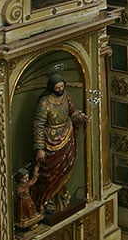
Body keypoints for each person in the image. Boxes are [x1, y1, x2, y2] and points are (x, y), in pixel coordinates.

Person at [31, 71, 87, 213]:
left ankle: (61, 195)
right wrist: (40, 148)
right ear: (51, 88)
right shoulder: (45, 103)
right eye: (57, 88)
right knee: (50, 173)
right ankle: (47, 199)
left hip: (67, 137)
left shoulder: (66, 96)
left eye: (62, 86)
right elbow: (38, 124)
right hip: (50, 141)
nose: (60, 90)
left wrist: (81, 117)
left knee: (65, 168)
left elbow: (72, 112)